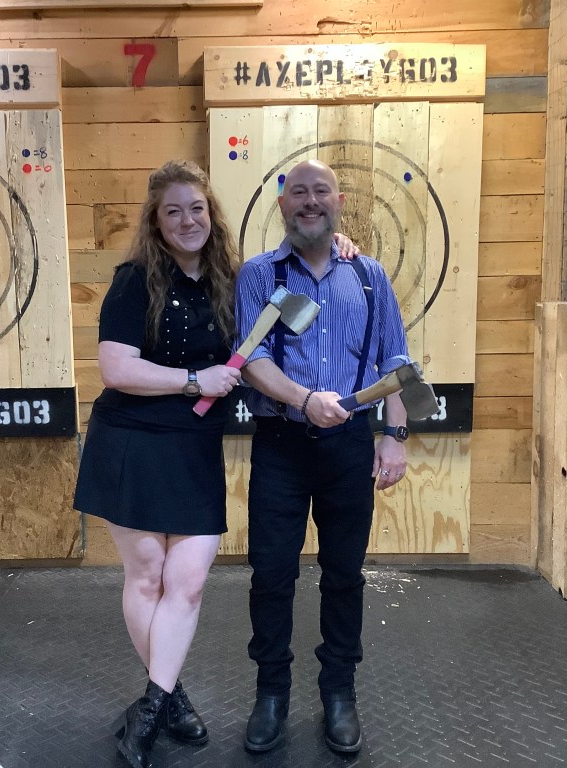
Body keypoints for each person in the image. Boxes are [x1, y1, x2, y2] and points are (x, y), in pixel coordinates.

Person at [73, 159, 360, 768]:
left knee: (191, 580)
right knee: (148, 577)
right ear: (156, 219)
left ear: (212, 214)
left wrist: (332, 241)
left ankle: (154, 701)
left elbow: (295, 278)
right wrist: (192, 379)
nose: (187, 220)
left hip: (192, 446)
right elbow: (117, 369)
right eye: (172, 210)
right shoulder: (132, 280)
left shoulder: (234, 281)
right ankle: (164, 701)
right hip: (130, 441)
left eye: (196, 208)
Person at [234, 159, 412, 755]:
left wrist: (395, 436)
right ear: (282, 206)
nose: (310, 202)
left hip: (348, 447)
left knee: (343, 575)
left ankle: (340, 693)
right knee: (272, 575)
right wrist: (305, 401)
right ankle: (272, 695)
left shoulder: (368, 276)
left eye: (322, 193)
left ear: (339, 203)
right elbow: (252, 361)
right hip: (281, 444)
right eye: (299, 194)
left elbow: (396, 362)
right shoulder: (259, 274)